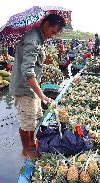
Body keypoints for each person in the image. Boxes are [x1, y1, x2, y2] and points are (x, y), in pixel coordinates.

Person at [9, 14, 66, 160]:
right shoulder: (33, 39)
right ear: (46, 24)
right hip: (24, 88)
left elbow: (33, 62)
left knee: (35, 117)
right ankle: (26, 150)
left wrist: (44, 60)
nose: (52, 36)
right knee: (27, 121)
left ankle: (31, 144)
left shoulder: (38, 37)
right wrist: (42, 96)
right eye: (53, 32)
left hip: (31, 88)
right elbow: (28, 71)